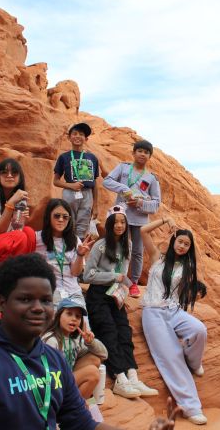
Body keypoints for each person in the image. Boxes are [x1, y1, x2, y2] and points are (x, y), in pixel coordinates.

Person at [0, 253, 179, 430]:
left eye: (46, 300)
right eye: (25, 299)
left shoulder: (51, 359)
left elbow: (81, 423)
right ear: (0, 303)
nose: (38, 308)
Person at [83, 205, 157, 399]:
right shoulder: (100, 245)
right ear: (109, 224)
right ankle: (119, 378)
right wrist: (112, 277)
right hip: (98, 295)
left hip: (116, 295)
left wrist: (123, 286)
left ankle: (132, 375)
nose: (120, 225)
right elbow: (87, 275)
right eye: (115, 222)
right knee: (108, 331)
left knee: (124, 331)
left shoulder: (128, 245)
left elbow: (123, 273)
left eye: (123, 222)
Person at [140, 216, 208, 425]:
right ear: (173, 241)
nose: (182, 246)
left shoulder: (186, 267)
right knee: (171, 355)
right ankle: (191, 407)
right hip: (153, 312)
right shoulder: (157, 257)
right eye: (180, 242)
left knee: (199, 330)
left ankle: (194, 362)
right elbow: (143, 231)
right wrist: (165, 220)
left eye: (187, 244)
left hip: (174, 311)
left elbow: (182, 290)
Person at [103, 139, 161, 298]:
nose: (143, 154)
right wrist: (124, 189)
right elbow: (106, 181)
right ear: (134, 153)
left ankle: (133, 283)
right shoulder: (123, 168)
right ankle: (113, 279)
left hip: (140, 220)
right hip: (121, 217)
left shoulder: (151, 178)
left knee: (137, 252)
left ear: (150, 156)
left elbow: (156, 204)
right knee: (117, 248)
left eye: (146, 152)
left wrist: (140, 203)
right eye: (140, 151)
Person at [43, 296, 108, 399]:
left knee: (94, 359)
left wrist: (90, 342)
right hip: (51, 385)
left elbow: (104, 355)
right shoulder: (51, 340)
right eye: (69, 314)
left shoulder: (75, 339)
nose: (73, 318)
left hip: (66, 380)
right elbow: (48, 374)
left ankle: (77, 402)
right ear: (58, 315)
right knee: (92, 373)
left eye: (78, 316)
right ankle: (73, 407)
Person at [35, 198, 94, 306]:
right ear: (49, 216)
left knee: (81, 322)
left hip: (73, 292)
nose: (61, 220)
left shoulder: (75, 240)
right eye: (57, 216)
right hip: (49, 293)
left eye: (65, 217)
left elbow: (75, 273)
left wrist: (80, 255)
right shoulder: (37, 238)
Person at [53, 122, 100, 239]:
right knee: (68, 221)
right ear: (69, 137)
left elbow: (95, 183)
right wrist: (71, 186)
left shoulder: (92, 158)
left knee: (82, 225)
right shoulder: (64, 157)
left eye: (81, 134)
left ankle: (78, 252)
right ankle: (66, 250)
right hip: (70, 193)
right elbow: (56, 181)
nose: (78, 136)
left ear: (86, 138)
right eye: (74, 133)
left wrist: (96, 205)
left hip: (87, 193)